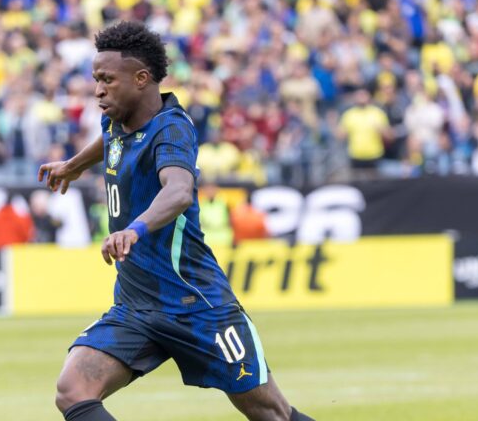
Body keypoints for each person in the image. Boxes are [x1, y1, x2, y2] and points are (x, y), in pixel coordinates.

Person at [38, 21, 313, 421]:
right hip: (136, 306)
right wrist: (74, 165)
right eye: (96, 79)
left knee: (272, 414)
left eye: (107, 80)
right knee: (72, 391)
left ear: (141, 79)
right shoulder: (115, 119)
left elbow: (179, 190)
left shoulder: (171, 129)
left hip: (196, 304)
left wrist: (134, 229)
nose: (97, 90)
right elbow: (110, 141)